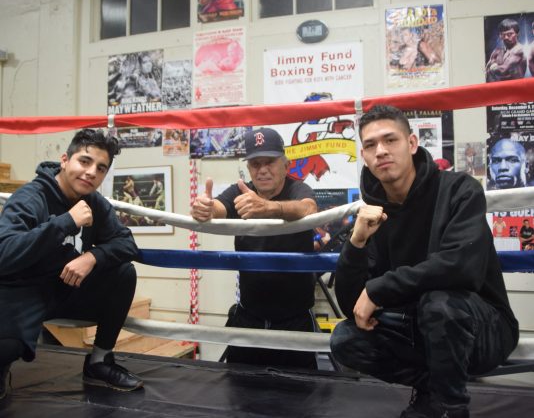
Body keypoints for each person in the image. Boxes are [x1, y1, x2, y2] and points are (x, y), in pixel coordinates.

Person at [330, 106, 518, 418]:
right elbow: (354, 306)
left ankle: (451, 409)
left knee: (438, 303)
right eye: (371, 145)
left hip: (481, 327)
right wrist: (357, 242)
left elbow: (461, 267)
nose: (381, 151)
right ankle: (433, 392)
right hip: (416, 328)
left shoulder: (459, 190)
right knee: (345, 339)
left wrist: (381, 288)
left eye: (390, 140)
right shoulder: (373, 212)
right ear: (364, 155)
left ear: (412, 143)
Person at [0, 129, 143, 401]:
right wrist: (66, 222)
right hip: (24, 292)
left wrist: (92, 257)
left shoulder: (94, 202)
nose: (91, 173)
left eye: (100, 168)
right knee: (6, 347)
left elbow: (127, 243)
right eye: (84, 161)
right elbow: (4, 254)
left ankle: (99, 361)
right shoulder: (31, 197)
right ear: (65, 160)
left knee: (123, 273)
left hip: (66, 287)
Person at [191, 127, 319, 369]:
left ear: (286, 165)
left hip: (294, 320)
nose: (262, 170)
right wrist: (206, 208)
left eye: (269, 162)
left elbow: (309, 209)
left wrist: (269, 208)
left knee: (301, 388)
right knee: (240, 385)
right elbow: (219, 207)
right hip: (248, 316)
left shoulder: (297, 189)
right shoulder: (241, 191)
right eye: (255, 164)